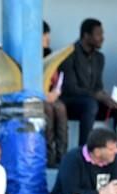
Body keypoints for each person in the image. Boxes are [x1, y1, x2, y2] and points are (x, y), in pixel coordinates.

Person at [59, 18, 117, 147]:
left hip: (90, 101)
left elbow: (98, 86)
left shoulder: (99, 58)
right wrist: (96, 95)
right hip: (70, 102)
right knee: (90, 104)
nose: (102, 38)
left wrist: (105, 96)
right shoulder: (69, 54)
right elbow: (70, 88)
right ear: (86, 36)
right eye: (98, 34)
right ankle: (85, 150)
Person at [43, 21, 68, 168]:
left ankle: (62, 155)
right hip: (36, 97)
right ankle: (49, 155)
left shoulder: (49, 55)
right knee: (48, 110)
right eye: (45, 35)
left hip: (50, 95)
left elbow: (56, 79)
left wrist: (54, 93)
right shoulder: (26, 55)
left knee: (60, 108)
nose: (48, 39)